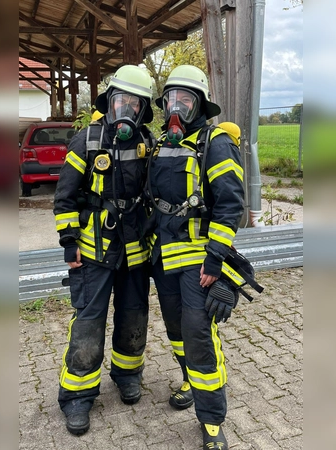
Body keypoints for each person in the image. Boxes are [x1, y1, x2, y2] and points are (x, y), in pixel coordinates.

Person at [52, 65, 156, 435]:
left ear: (143, 110)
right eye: (119, 101)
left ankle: (128, 374)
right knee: (89, 321)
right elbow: (64, 199)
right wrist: (69, 244)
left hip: (135, 252)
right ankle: (77, 396)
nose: (125, 110)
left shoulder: (148, 144)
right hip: (94, 250)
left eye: (134, 103)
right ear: (108, 103)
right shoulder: (87, 141)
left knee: (133, 315)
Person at [146, 65, 245, 450]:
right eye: (171, 99)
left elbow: (230, 204)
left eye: (185, 100)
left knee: (200, 336)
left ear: (200, 104)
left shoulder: (215, 142)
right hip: (163, 261)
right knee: (176, 332)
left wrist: (216, 259)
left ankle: (212, 421)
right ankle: (188, 378)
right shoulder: (161, 143)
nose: (176, 107)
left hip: (199, 264)